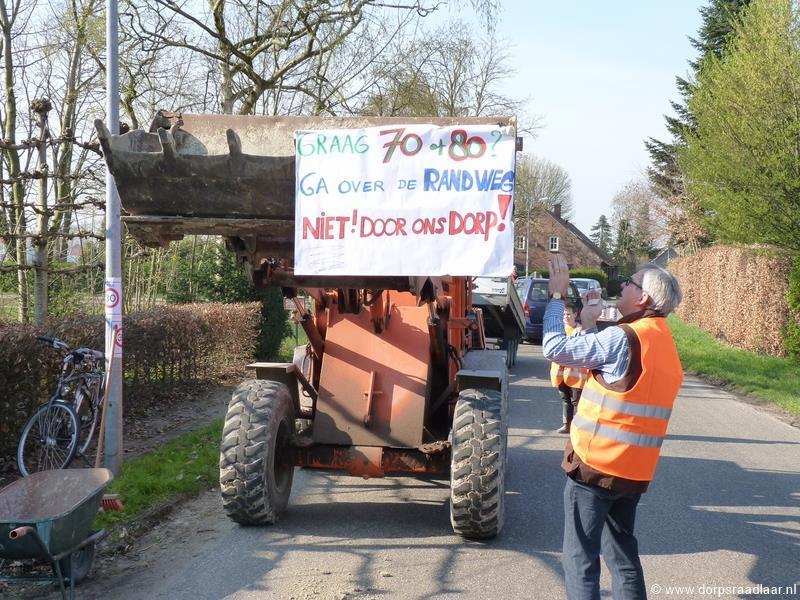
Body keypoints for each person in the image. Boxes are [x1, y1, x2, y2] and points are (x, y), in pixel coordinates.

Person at [543, 254, 683, 600]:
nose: (622, 285)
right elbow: (609, 377)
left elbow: (554, 348)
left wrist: (557, 298)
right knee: (623, 559)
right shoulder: (664, 343)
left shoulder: (623, 337)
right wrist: (589, 324)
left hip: (594, 468)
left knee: (580, 560)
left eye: (630, 282)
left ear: (644, 298)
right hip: (632, 473)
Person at [550, 304, 588, 434]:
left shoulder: (581, 331)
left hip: (576, 375)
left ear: (575, 315)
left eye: (568, 314)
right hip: (560, 374)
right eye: (564, 314)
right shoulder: (558, 330)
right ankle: (567, 425)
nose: (566, 317)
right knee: (565, 400)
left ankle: (578, 428)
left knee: (577, 401)